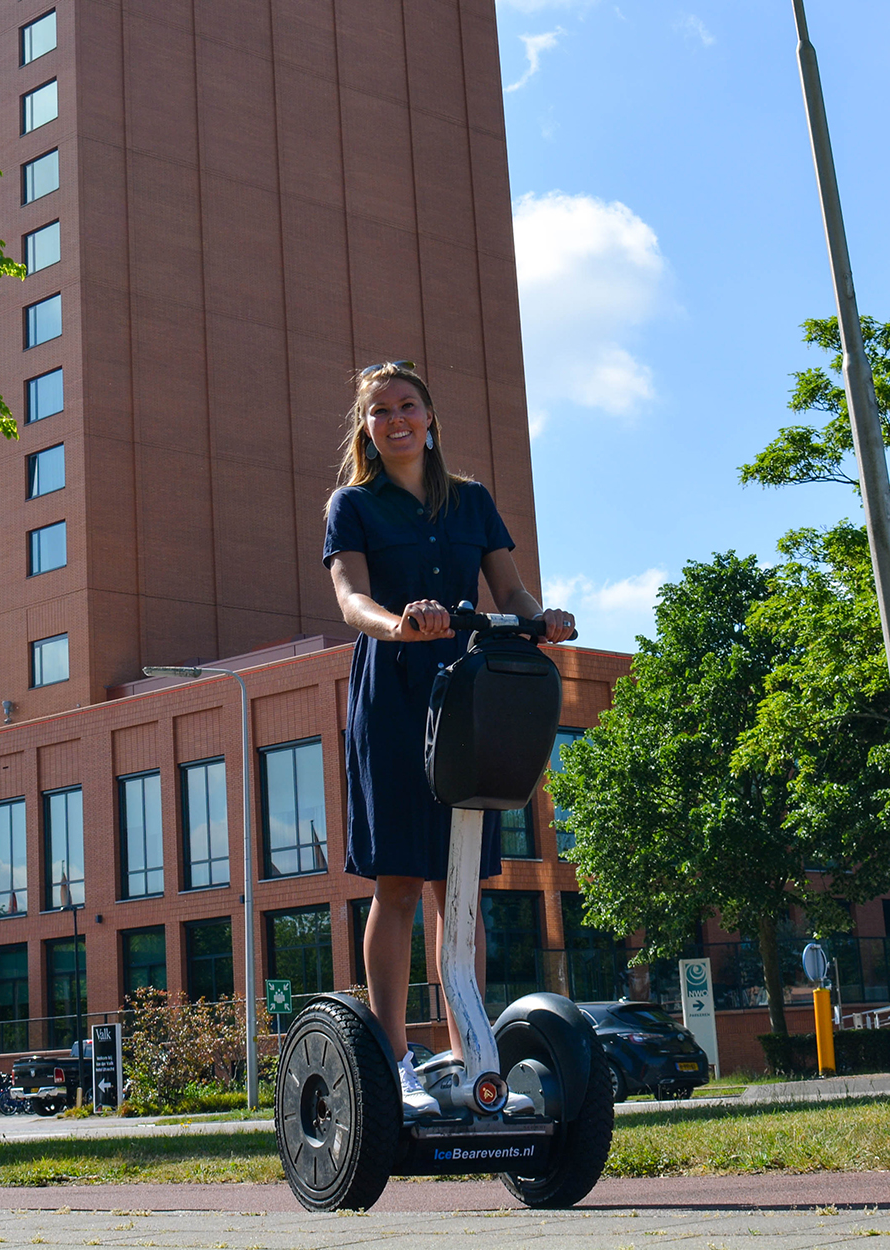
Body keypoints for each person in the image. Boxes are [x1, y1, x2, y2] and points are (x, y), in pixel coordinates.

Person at [321, 362, 575, 1119]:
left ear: (430, 416)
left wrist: (545, 620)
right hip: (395, 697)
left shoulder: (471, 502)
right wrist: (398, 622)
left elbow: (513, 591)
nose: (395, 420)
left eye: (407, 406)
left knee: (459, 888)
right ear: (366, 427)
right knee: (399, 881)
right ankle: (395, 1059)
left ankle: (473, 1056)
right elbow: (350, 597)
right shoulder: (354, 505)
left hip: (470, 696)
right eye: (380, 412)